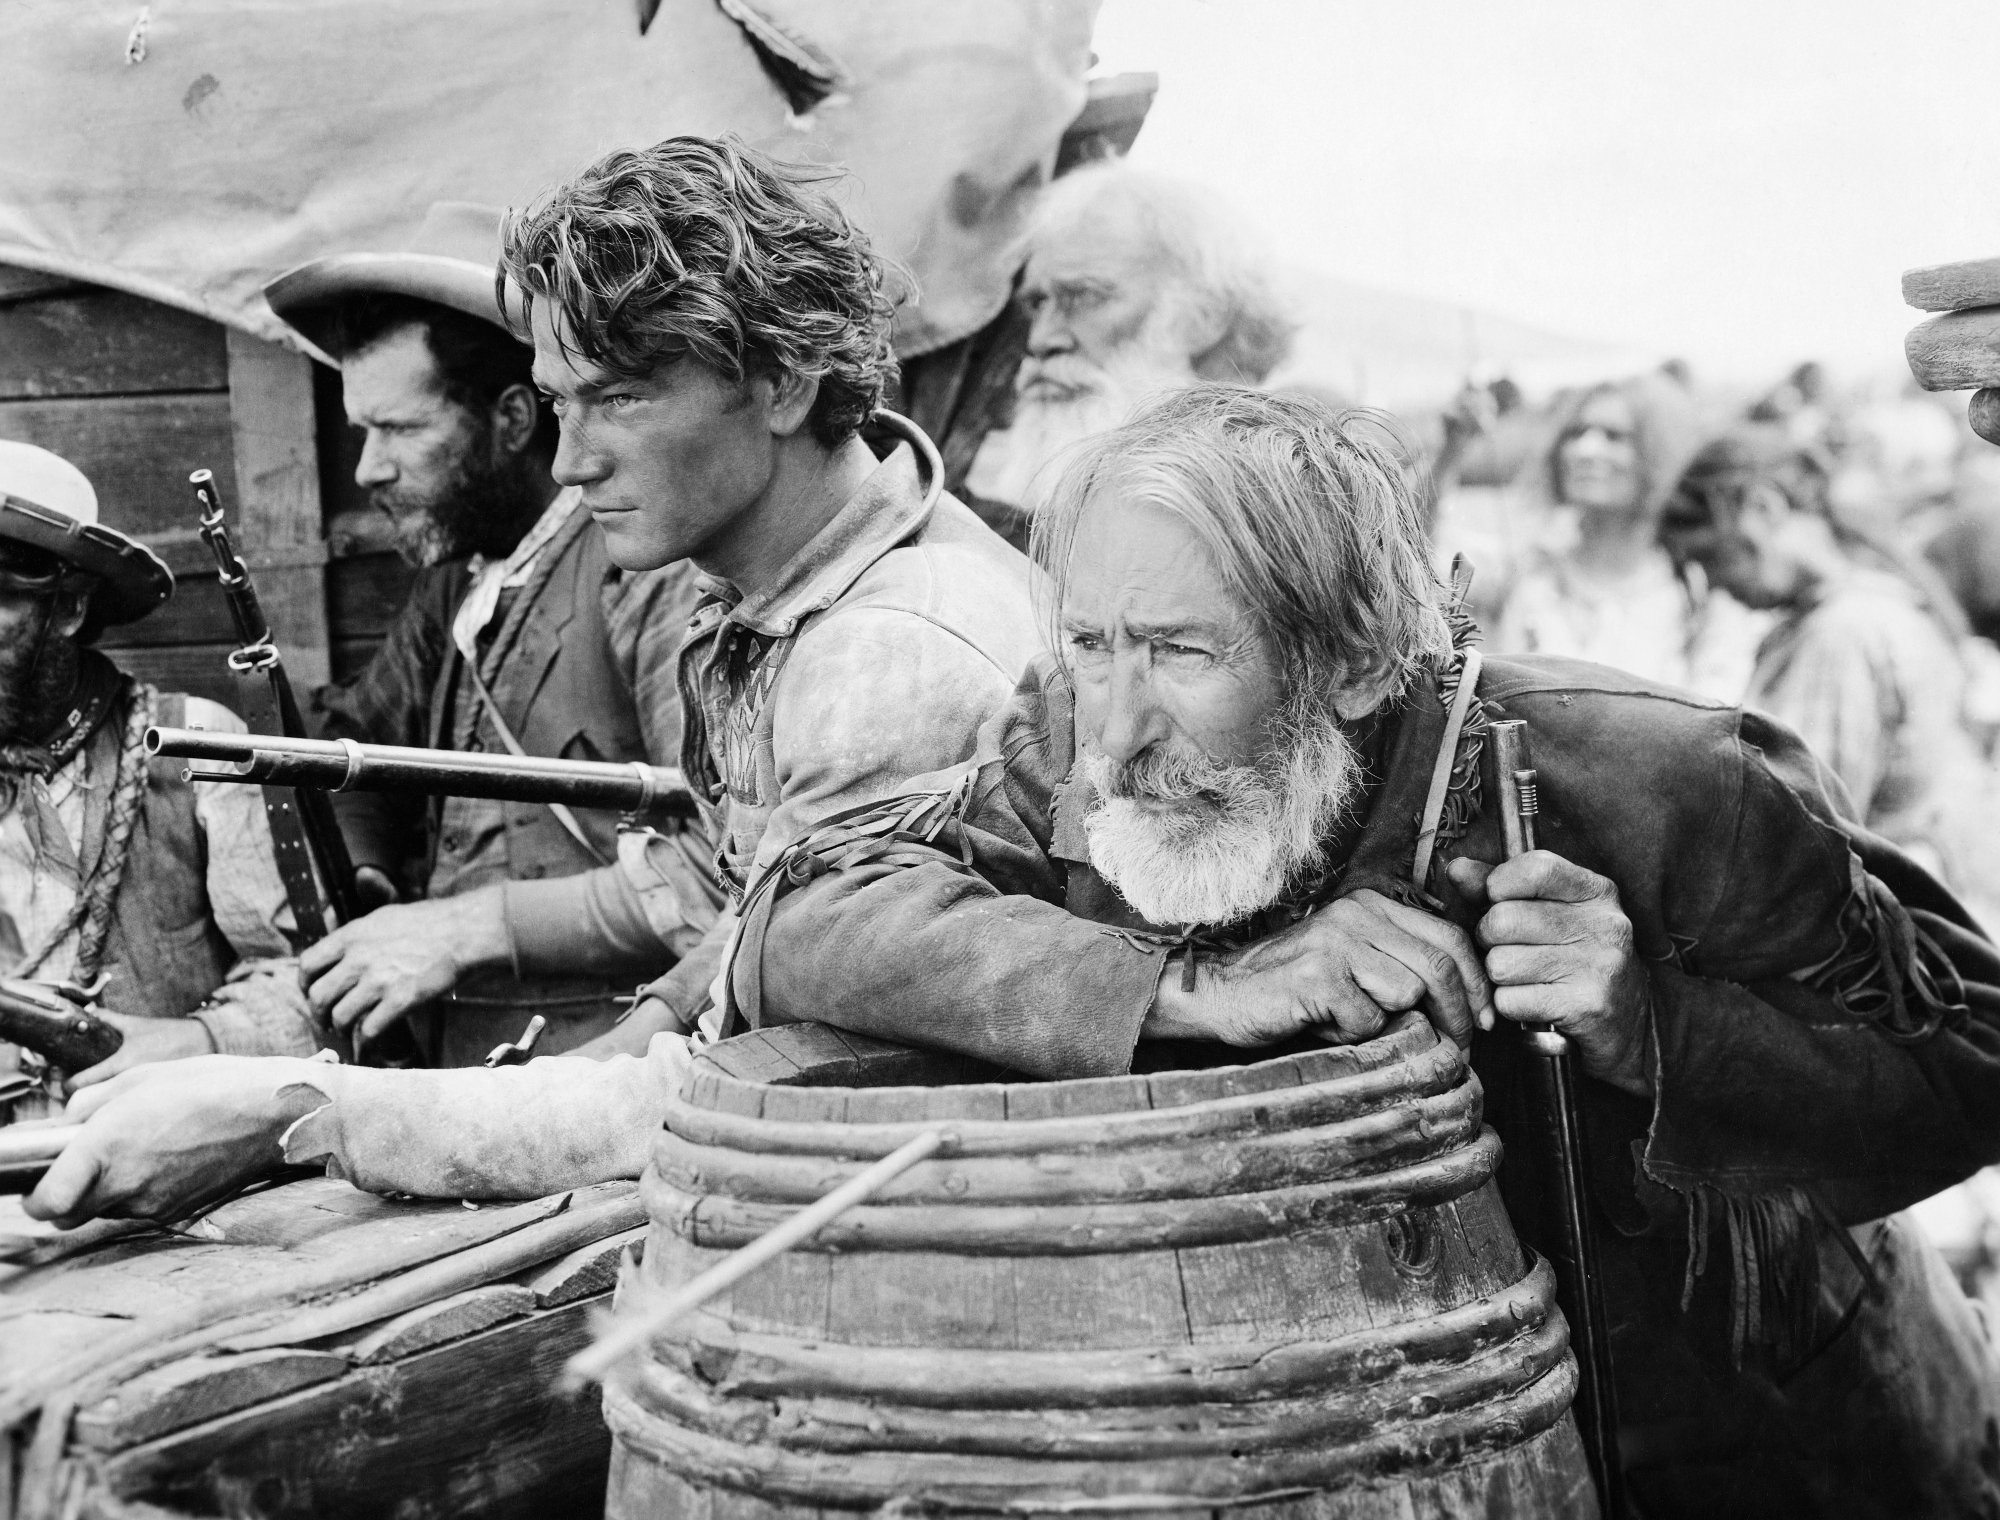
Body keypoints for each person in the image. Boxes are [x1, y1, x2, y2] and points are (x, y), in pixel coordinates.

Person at [717, 388, 1999, 1519]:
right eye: (1093, 641)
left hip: (1783, 1453)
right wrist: (1185, 987)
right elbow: (801, 917)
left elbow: (1974, 1058)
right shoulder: (1073, 748)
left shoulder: (1658, 778)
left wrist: (1645, 1021)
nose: (1113, 729)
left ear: (1352, 663)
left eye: (1177, 650)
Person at [26, 134, 1037, 1207]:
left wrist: (292, 1110)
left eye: (621, 398)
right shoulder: (770, 594)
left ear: (782, 383)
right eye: (560, 402)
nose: (570, 460)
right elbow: (760, 930)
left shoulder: (884, 662)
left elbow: (731, 1102)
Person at [265, 205, 714, 1064]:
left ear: (513, 421)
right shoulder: (461, 579)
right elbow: (359, 743)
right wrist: (371, 879)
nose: (368, 469)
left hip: (606, 1083)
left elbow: (714, 878)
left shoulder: (647, 570)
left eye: (399, 430)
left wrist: (464, 928)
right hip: (466, 1087)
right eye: (363, 432)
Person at [0, 441, 323, 1096]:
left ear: (69, 609)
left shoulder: (195, 745)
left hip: (167, 1173)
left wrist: (198, 1042)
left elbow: (313, 983)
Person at [1660, 425, 2000, 931]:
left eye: (1710, 555)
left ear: (1763, 509)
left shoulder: (1842, 631)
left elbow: (1804, 840)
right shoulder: (1881, 600)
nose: (1714, 583)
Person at [961, 158, 1296, 542]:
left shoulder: (1271, 532)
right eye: (1038, 303)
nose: (1040, 339)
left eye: (1082, 296)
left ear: (1203, 317)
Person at [1491, 374, 1762, 699]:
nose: (1585, 450)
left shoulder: (1698, 591)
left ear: (1662, 452)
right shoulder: (1529, 568)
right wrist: (1449, 454)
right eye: (1576, 433)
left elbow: (1717, 716)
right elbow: (1422, 575)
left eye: (1614, 436)